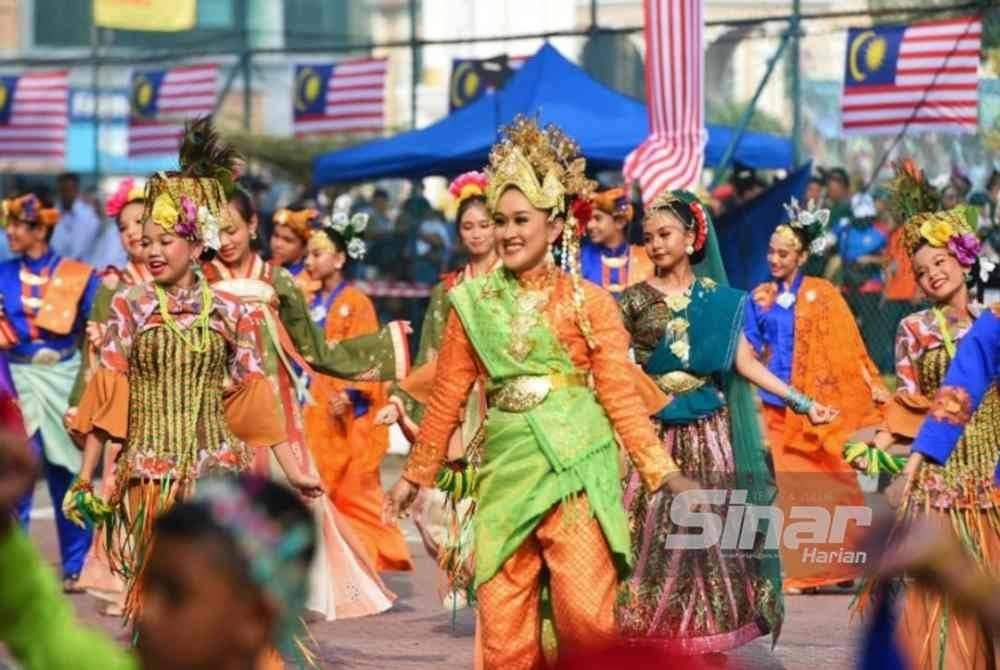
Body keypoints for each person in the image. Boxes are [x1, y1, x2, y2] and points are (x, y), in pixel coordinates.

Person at [383, 116, 690, 668]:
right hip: (506, 475)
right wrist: (415, 474)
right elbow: (449, 392)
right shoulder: (469, 304)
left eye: (521, 219)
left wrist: (659, 470)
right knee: (502, 630)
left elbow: (620, 394)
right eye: (499, 221)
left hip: (576, 471)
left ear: (555, 225)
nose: (507, 233)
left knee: (586, 623)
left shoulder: (589, 302)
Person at [68, 118, 323, 621]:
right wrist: (86, 477)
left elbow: (255, 401)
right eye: (146, 241)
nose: (153, 251)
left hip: (215, 478)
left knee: (213, 599)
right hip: (147, 477)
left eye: (165, 241)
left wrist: (294, 471)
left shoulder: (233, 313)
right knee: (158, 603)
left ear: (196, 244)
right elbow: (110, 396)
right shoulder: (129, 306)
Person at [616, 190, 836, 657]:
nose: (655, 244)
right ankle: (650, 634)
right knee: (647, 534)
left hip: (707, 434)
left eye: (665, 234)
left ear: (692, 237)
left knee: (708, 540)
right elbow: (615, 366)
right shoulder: (632, 301)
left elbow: (746, 364)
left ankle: (704, 636)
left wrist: (801, 400)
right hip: (652, 434)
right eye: (648, 236)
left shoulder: (722, 301)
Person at [204, 185, 410, 619]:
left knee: (282, 500)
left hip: (276, 411)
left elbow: (316, 350)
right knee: (219, 503)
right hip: (215, 413)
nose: (223, 241)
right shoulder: (199, 279)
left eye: (232, 229)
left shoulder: (278, 281)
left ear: (252, 226)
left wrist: (386, 346)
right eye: (214, 231)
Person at [0, 427, 319, 670]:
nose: (146, 613)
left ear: (256, 619)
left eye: (175, 595)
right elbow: (34, 621)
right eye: (149, 586)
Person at [849, 160, 998, 670]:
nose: (932, 274)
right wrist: (895, 453)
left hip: (991, 475)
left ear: (963, 259)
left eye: (939, 262)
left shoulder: (994, 319)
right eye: (921, 271)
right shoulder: (914, 329)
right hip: (939, 475)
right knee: (935, 599)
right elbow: (912, 403)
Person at [744, 196, 886, 594]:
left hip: (819, 406)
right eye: (771, 252)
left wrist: (868, 387)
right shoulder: (762, 297)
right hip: (779, 405)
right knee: (796, 488)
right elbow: (752, 347)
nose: (774, 259)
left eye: (783, 253)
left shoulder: (823, 293)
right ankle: (808, 572)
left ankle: (847, 562)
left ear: (801, 255)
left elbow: (848, 345)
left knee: (836, 480)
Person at [376, 171, 501, 618]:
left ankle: (501, 584)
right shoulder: (447, 290)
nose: (476, 234)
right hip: (460, 405)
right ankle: (465, 575)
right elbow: (431, 353)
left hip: (505, 404)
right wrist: (402, 401)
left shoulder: (517, 283)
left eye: (485, 224)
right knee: (446, 499)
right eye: (467, 227)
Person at [299, 209, 414, 574]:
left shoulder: (357, 301)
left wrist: (349, 393)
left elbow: (367, 353)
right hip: (315, 405)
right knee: (322, 487)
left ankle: (364, 561)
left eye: (318, 253)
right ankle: (334, 569)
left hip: (349, 412)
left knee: (355, 490)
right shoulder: (309, 300)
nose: (310, 261)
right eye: (309, 254)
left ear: (340, 258)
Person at [0, 192, 99, 593]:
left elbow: (97, 332)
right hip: (15, 381)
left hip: (65, 378)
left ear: (40, 229)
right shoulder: (2, 272)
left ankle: (77, 566)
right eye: (8, 226)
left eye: (16, 226)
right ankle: (13, 572)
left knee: (71, 476)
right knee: (12, 478)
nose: (9, 233)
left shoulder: (79, 275)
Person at [66, 177, 151, 616]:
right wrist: (79, 403)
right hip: (120, 406)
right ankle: (125, 584)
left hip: (165, 401)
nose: (133, 233)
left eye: (141, 222)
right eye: (124, 227)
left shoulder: (183, 279)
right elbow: (92, 354)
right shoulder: (110, 286)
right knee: (118, 489)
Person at [836, 193, 892, 371]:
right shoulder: (845, 229)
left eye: (867, 217)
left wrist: (870, 259)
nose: (864, 221)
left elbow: (890, 260)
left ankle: (872, 367)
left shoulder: (881, 232)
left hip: (871, 287)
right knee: (847, 328)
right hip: (847, 286)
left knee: (870, 330)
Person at [579, 186, 654, 297]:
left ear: (620, 221)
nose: (590, 225)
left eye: (597, 218)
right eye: (588, 219)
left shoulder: (646, 257)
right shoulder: (581, 257)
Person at [50, 172, 104, 266]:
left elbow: (94, 244)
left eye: (70, 189)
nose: (67, 193)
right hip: (55, 266)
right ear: (58, 190)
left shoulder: (89, 216)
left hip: (82, 266)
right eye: (64, 189)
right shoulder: (51, 214)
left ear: (76, 190)